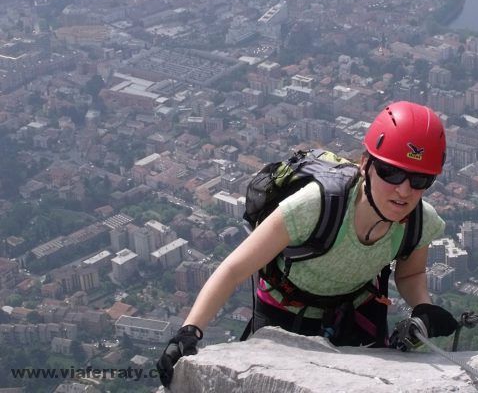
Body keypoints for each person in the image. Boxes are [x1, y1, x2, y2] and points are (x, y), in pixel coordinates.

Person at [158, 101, 459, 387]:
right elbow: (235, 268)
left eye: (420, 179)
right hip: (284, 312)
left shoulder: (418, 221)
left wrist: (423, 307)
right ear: (365, 164)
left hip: (355, 312)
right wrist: (190, 331)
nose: (404, 190)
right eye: (391, 172)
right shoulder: (317, 206)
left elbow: (410, 274)